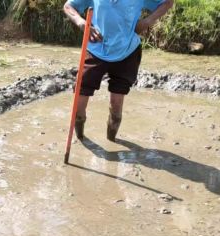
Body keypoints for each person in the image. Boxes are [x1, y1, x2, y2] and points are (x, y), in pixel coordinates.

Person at [63, 0, 173, 141]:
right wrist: (81, 22)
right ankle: (80, 138)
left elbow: (167, 2)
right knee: (79, 105)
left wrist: (147, 22)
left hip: (127, 52)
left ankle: (111, 141)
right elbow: (68, 6)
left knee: (116, 107)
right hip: (96, 50)